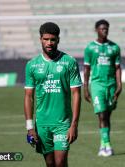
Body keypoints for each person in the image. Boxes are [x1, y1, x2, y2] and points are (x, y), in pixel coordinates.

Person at [24, 22, 82, 167]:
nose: (49, 43)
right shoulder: (32, 65)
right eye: (46, 39)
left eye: (52, 39)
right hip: (42, 123)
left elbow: (76, 94)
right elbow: (28, 97)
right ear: (40, 39)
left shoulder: (69, 62)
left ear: (58, 40)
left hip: (63, 123)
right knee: (50, 163)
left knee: (60, 162)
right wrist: (30, 127)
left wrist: (74, 124)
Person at [83, 19, 122, 157]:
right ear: (96, 30)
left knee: (108, 115)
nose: (104, 30)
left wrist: (119, 84)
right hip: (97, 84)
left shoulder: (115, 48)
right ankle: (108, 146)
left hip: (110, 85)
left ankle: (103, 144)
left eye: (106, 28)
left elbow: (117, 68)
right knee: (102, 114)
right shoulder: (90, 48)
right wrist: (85, 87)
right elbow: (86, 69)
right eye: (102, 28)